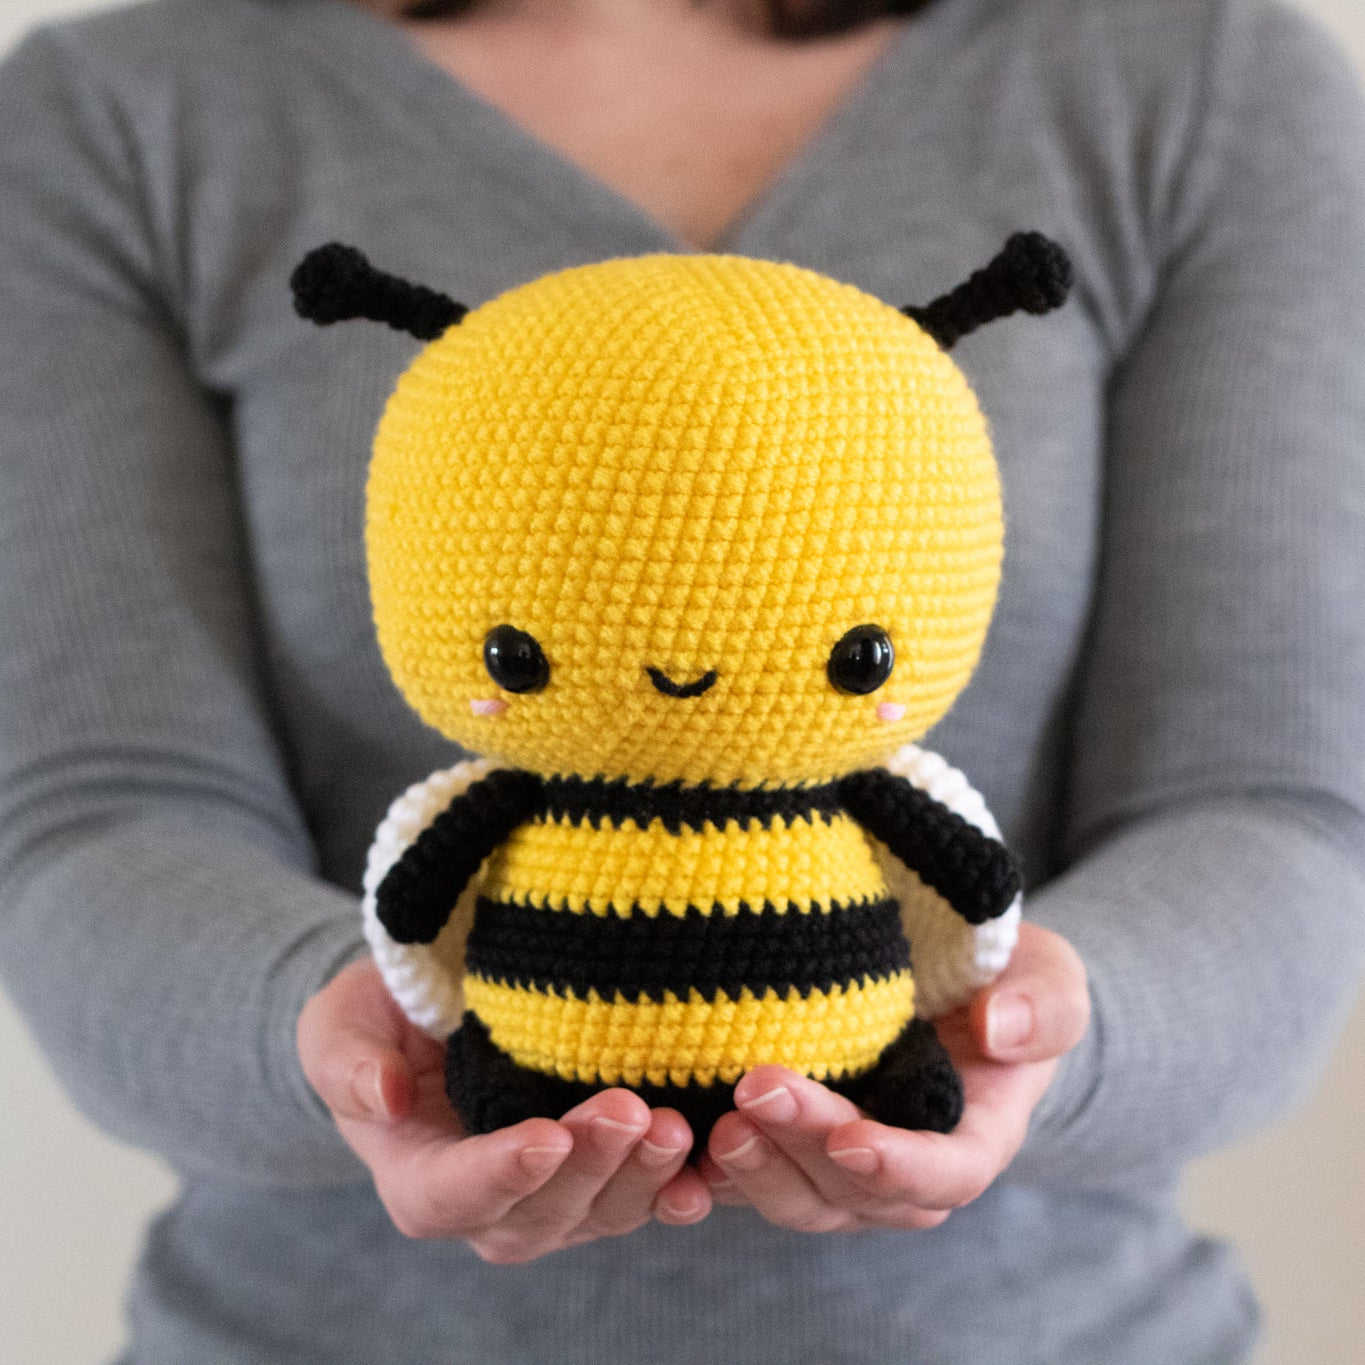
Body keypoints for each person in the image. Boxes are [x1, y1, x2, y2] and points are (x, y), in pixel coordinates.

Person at [0, 0, 1362, 1359]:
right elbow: (104, 812)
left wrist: (1034, 1028)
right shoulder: (129, 109)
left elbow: (1265, 802)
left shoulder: (1191, 81)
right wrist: (358, 1032)